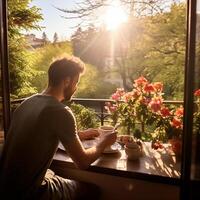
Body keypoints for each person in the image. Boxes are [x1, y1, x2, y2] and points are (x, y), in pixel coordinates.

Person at [0, 56, 117, 199]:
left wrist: (78, 135)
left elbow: (39, 135)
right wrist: (104, 141)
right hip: (31, 193)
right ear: (67, 81)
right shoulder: (60, 111)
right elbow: (83, 162)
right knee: (91, 190)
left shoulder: (26, 104)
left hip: (5, 188)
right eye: (76, 82)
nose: (76, 88)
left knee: (53, 174)